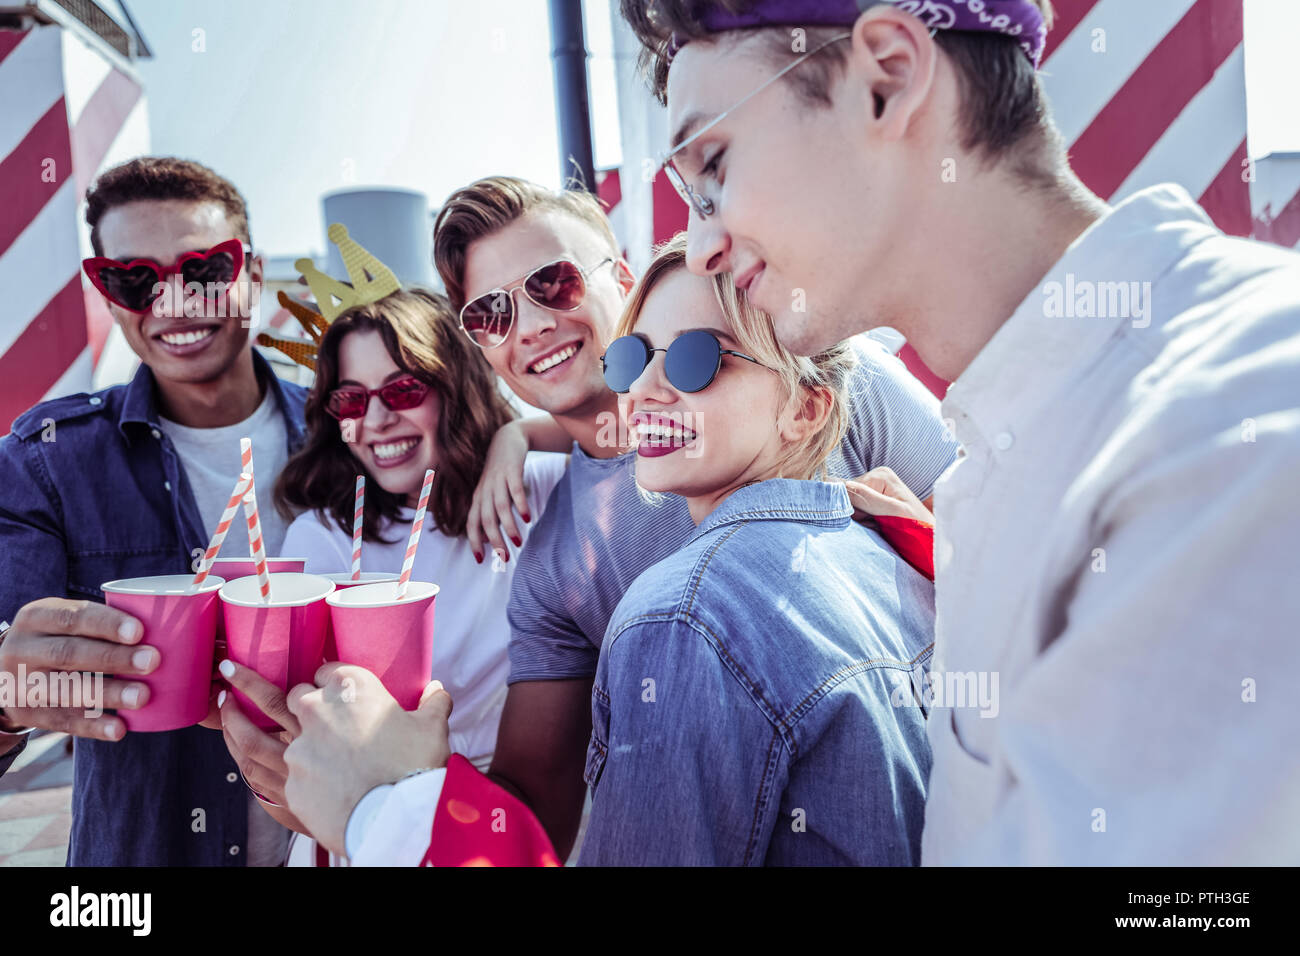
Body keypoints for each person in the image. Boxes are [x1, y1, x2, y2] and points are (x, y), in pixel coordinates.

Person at [620, 0, 1300, 862]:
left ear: (889, 78)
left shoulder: (1221, 428)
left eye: (712, 167)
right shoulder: (1008, 450)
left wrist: (420, 805)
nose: (701, 243)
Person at [278, 234, 937, 865]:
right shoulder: (885, 543)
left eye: (694, 359)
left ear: (808, 409)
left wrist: (383, 806)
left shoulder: (679, 616)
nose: (645, 389)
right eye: (632, 358)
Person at [430, 175, 960, 856]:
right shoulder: (554, 565)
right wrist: (398, 783)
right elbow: (531, 813)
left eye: (552, 282)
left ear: (618, 274)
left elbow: (998, 535)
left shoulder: (820, 373)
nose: (530, 326)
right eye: (490, 314)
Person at [0, 157, 307, 865]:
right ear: (107, 296)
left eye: (204, 270)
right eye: (134, 279)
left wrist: (513, 437)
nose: (172, 303)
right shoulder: (47, 461)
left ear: (252, 276)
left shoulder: (350, 432)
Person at [222, 287, 566, 865]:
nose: (377, 420)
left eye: (404, 390)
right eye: (350, 400)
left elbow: (634, 434)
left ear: (454, 390)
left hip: (504, 821)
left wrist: (520, 435)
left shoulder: (535, 488)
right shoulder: (324, 535)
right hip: (358, 827)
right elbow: (296, 751)